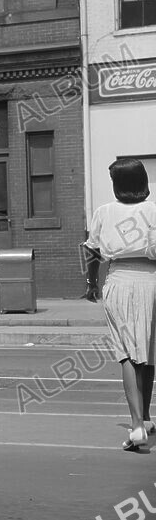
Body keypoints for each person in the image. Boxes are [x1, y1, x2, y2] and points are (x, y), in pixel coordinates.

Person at [83, 157, 156, 452]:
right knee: (149, 351)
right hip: (152, 279)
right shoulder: (154, 210)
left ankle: (137, 425)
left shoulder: (104, 212)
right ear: (143, 182)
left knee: (127, 354)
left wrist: (91, 285)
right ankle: (147, 417)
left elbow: (92, 251)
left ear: (117, 185)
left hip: (120, 280)